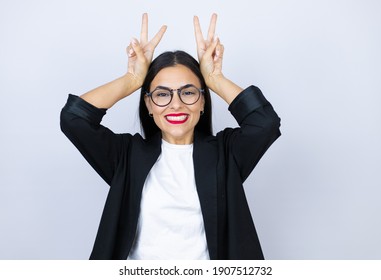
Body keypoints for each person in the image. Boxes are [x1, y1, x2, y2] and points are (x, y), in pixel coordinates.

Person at [60, 13, 281, 260]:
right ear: (149, 105)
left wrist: (215, 79)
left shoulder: (225, 155)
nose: (176, 104)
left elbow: (265, 123)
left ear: (202, 102)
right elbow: (74, 119)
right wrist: (132, 79)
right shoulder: (127, 156)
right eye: (162, 95)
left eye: (188, 93)